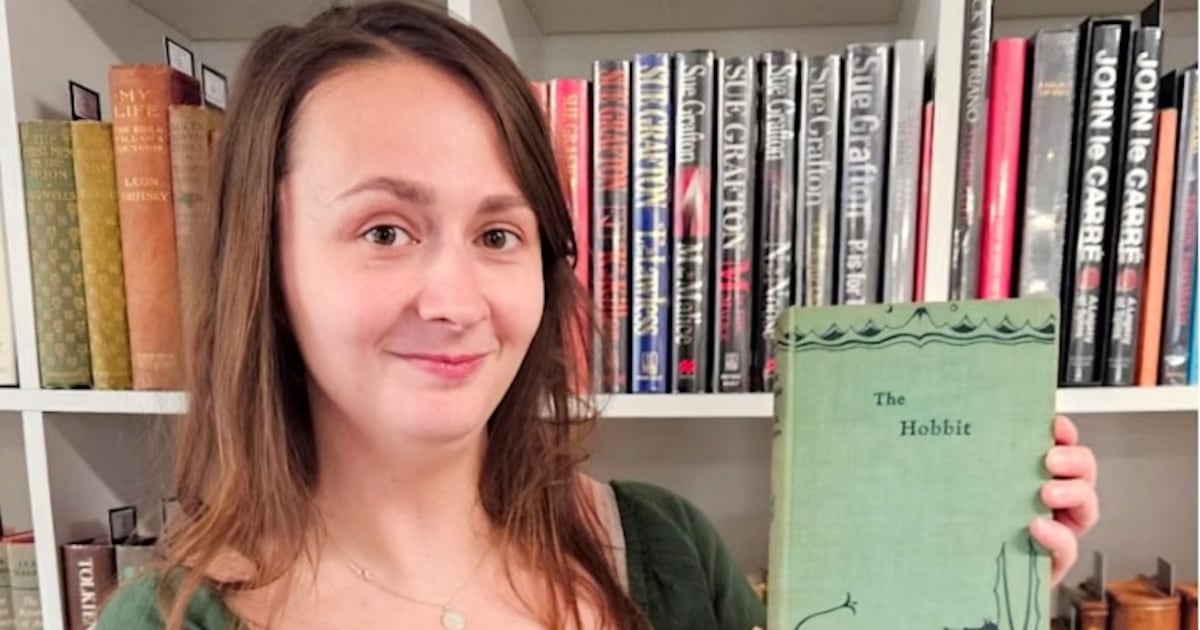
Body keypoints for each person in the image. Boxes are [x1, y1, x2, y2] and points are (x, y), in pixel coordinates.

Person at [96, 2, 1100, 628]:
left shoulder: (667, 554)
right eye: (385, 231)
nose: (455, 301)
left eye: (499, 234)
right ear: (267, 263)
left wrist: (960, 584)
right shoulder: (163, 621)